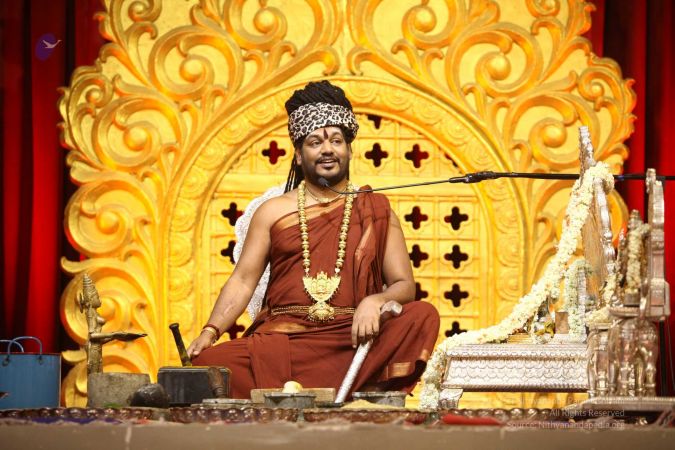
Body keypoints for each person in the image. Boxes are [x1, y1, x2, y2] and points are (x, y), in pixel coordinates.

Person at [187, 80, 440, 399]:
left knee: (422, 315)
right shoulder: (273, 211)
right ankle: (347, 388)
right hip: (283, 342)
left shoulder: (376, 210)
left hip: (351, 338)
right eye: (315, 142)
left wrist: (374, 301)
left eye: (336, 140)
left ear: (349, 150)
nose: (327, 149)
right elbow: (243, 280)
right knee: (209, 364)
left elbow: (404, 285)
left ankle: (342, 383)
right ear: (298, 155)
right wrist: (210, 332)